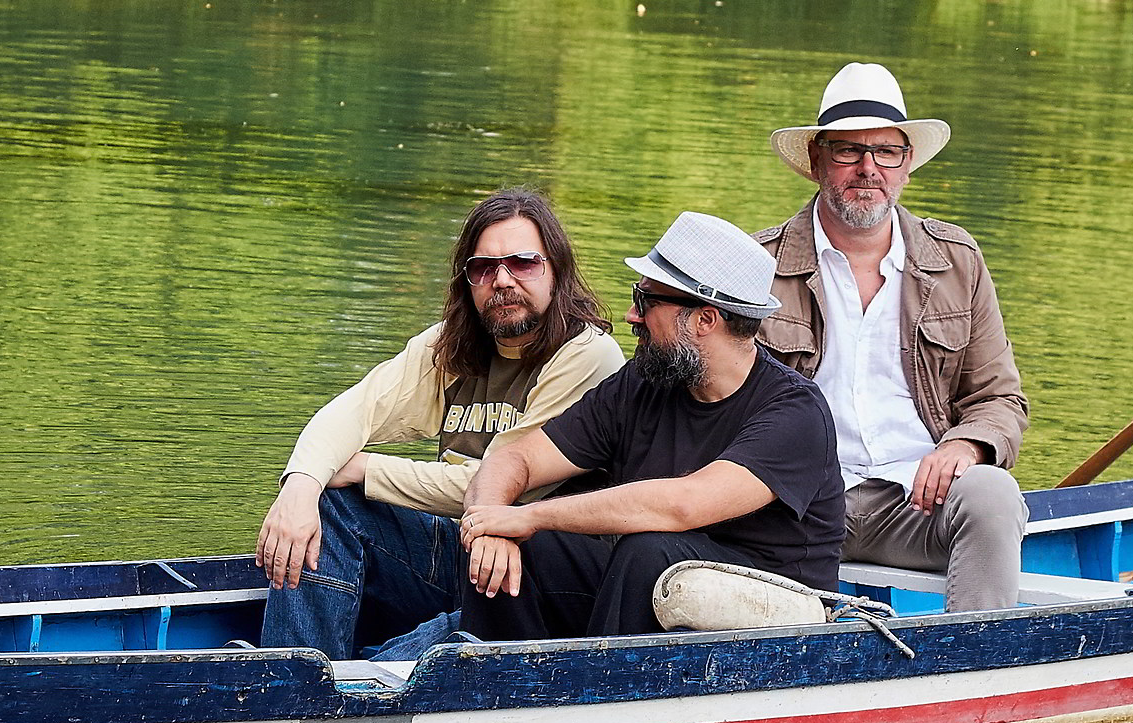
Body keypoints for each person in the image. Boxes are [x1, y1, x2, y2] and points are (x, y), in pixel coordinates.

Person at [256, 188, 625, 656]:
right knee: (328, 503)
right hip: (459, 550)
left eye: (523, 263)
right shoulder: (450, 346)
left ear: (557, 270)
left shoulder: (587, 355)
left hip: (531, 574)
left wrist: (367, 469)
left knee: (450, 631)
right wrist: (299, 488)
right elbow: (353, 410)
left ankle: (345, 678)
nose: (503, 280)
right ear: (467, 281)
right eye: (483, 268)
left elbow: (501, 487)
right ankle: (296, 675)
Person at [453, 211, 845, 640]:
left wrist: (530, 515)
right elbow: (517, 456)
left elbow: (685, 504)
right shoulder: (644, 380)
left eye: (646, 301)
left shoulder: (795, 413)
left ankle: (603, 697)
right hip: (653, 586)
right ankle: (497, 690)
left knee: (649, 550)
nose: (630, 315)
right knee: (527, 550)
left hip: (772, 614)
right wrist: (491, 524)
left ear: (704, 319)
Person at [753, 63, 1030, 611]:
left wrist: (967, 443)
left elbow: (1000, 398)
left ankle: (971, 673)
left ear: (907, 165)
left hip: (917, 506)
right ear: (816, 161)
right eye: (848, 151)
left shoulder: (957, 261)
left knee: (994, 493)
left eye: (886, 152)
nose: (868, 168)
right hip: (793, 506)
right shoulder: (755, 266)